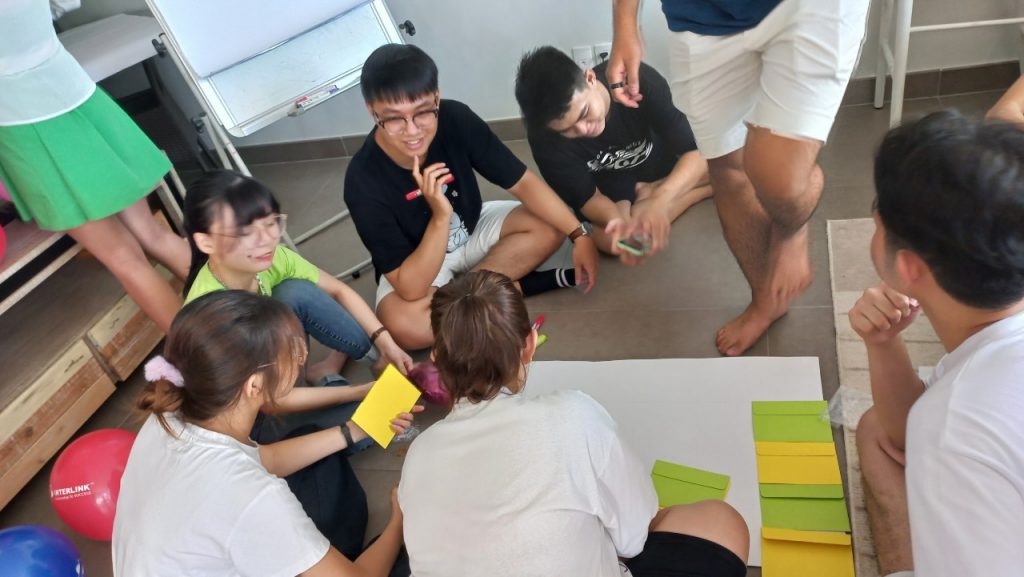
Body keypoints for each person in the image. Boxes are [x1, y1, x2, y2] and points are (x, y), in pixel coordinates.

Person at [398, 270, 750, 577]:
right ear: (529, 345)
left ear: (436, 358)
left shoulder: (418, 454)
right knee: (721, 521)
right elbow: (633, 537)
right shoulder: (574, 415)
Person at [607, 0, 869, 355]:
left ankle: (791, 229)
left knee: (781, 179)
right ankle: (766, 302)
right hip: (700, 14)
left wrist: (663, 199)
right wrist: (626, 24)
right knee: (728, 168)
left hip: (808, 8)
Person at [114, 290, 420, 575]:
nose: (301, 356)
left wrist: (354, 430)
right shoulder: (252, 494)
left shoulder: (170, 412)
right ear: (254, 385)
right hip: (239, 524)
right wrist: (400, 519)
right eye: (292, 351)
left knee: (317, 450)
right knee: (420, 553)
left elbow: (263, 460)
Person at [852, 111, 1024, 577]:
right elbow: (903, 434)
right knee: (877, 428)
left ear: (909, 267)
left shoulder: (954, 429)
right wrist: (883, 343)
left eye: (877, 222)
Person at [344, 44, 600, 350]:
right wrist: (440, 217)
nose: (412, 131)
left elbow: (523, 183)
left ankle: (472, 294)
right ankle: (498, 289)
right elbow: (411, 288)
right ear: (372, 111)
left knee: (552, 223)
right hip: (417, 261)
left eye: (423, 112)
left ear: (436, 97)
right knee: (406, 327)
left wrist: (579, 234)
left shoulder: (455, 118)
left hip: (473, 225)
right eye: (394, 119)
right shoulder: (362, 181)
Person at [0, 0, 189, 332]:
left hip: (18, 124)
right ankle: (257, 329)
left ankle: (216, 361)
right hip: (76, 95)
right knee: (153, 233)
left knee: (125, 259)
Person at [183, 170, 413, 385]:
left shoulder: (272, 257)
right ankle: (325, 380)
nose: (266, 240)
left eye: (270, 223)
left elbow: (339, 290)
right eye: (244, 233)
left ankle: (374, 363)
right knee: (369, 414)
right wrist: (359, 392)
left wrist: (386, 344)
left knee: (295, 291)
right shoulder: (213, 315)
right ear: (206, 242)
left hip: (281, 369)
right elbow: (270, 402)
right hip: (262, 401)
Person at [515, 46, 711, 260]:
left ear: (590, 78)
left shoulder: (637, 81)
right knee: (616, 241)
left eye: (584, 113)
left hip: (659, 165)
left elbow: (694, 153)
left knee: (720, 161)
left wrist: (659, 199)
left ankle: (669, 192)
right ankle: (693, 192)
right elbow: (588, 199)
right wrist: (617, 222)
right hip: (609, 192)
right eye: (567, 130)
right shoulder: (544, 138)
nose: (583, 129)